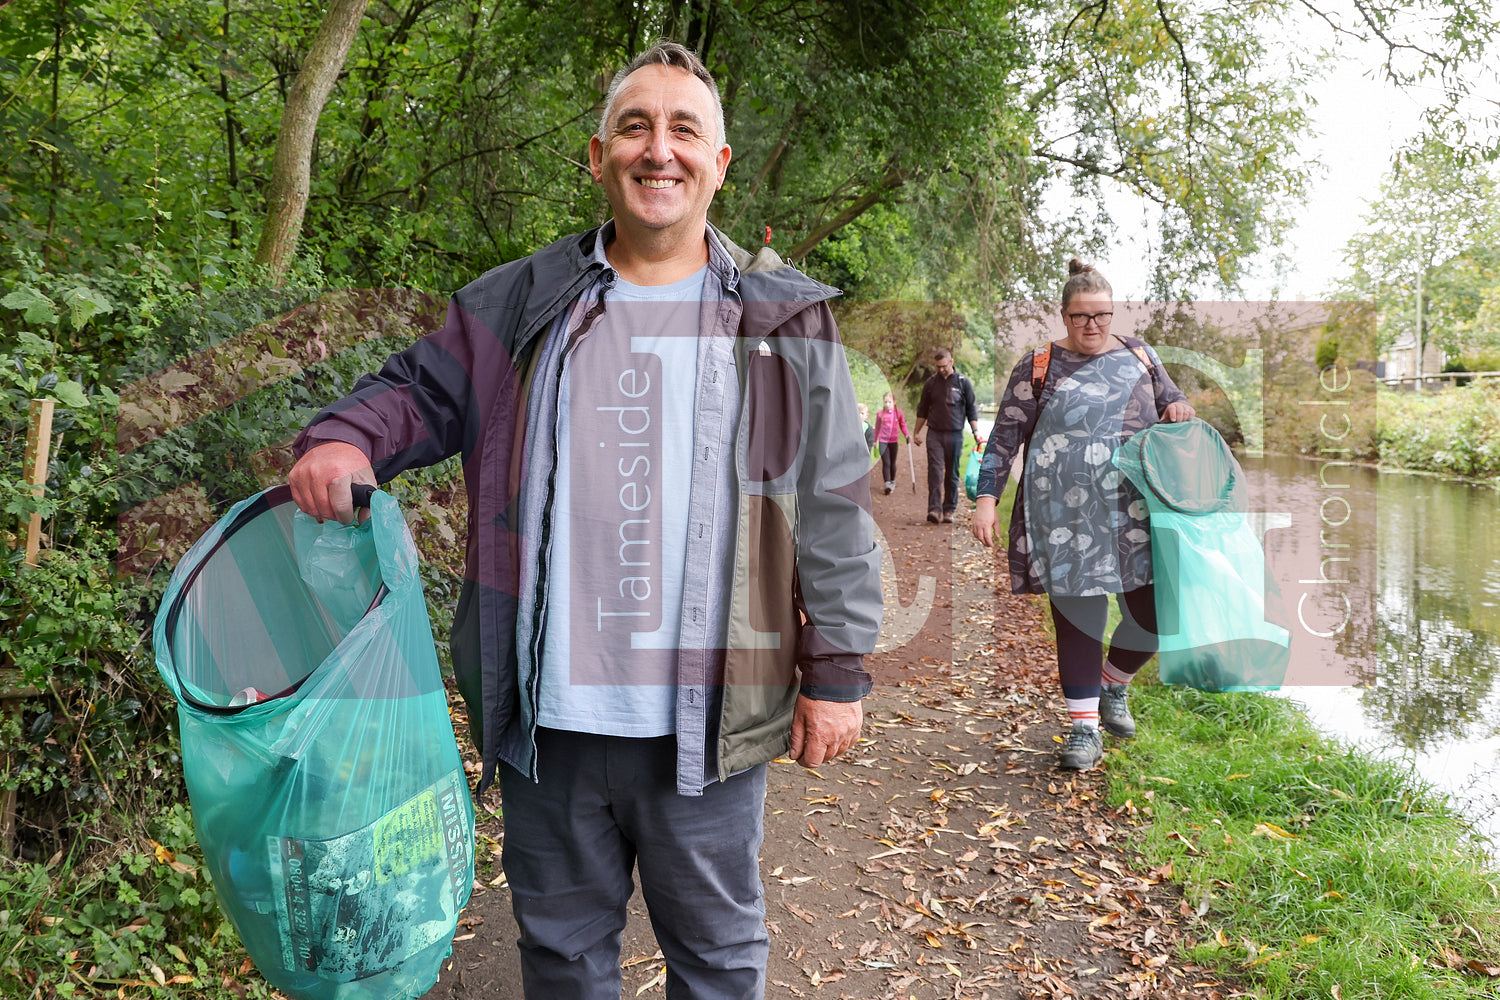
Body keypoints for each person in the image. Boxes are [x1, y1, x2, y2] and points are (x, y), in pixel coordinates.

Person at [286, 41, 882, 1000]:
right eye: (636, 128)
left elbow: (835, 507)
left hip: (708, 724)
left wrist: (838, 670)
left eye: (685, 129)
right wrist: (348, 438)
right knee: (561, 957)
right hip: (549, 718)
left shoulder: (782, 321)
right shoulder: (522, 299)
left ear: (719, 164)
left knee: (720, 962)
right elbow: (417, 392)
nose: (661, 150)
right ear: (597, 156)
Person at [969, 260, 1194, 770]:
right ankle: (1083, 729)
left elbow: (1173, 399)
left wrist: (1179, 407)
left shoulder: (1141, 355)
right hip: (1062, 518)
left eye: (1101, 315)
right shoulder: (1038, 365)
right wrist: (986, 502)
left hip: (1137, 512)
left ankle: (1114, 685)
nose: (1092, 325)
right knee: (1080, 621)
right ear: (1064, 315)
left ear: (1113, 313)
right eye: (1080, 317)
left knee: (1159, 613)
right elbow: (1004, 440)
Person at [912, 347, 982, 523]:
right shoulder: (931, 383)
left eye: (943, 365)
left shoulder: (963, 382)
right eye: (938, 366)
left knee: (952, 473)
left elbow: (971, 409)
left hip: (955, 435)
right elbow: (922, 409)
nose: (941, 369)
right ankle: (934, 510)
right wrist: (916, 432)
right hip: (934, 433)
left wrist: (975, 431)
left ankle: (949, 510)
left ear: (951, 362)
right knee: (935, 471)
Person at [872, 391, 909, 494]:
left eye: (889, 402)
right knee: (886, 462)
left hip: (894, 441)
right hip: (883, 441)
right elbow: (877, 428)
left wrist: (907, 434)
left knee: (892, 462)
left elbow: (903, 425)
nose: (887, 404)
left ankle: (892, 481)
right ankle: (887, 484)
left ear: (894, 402)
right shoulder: (880, 414)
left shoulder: (898, 413)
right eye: (885, 402)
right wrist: (875, 441)